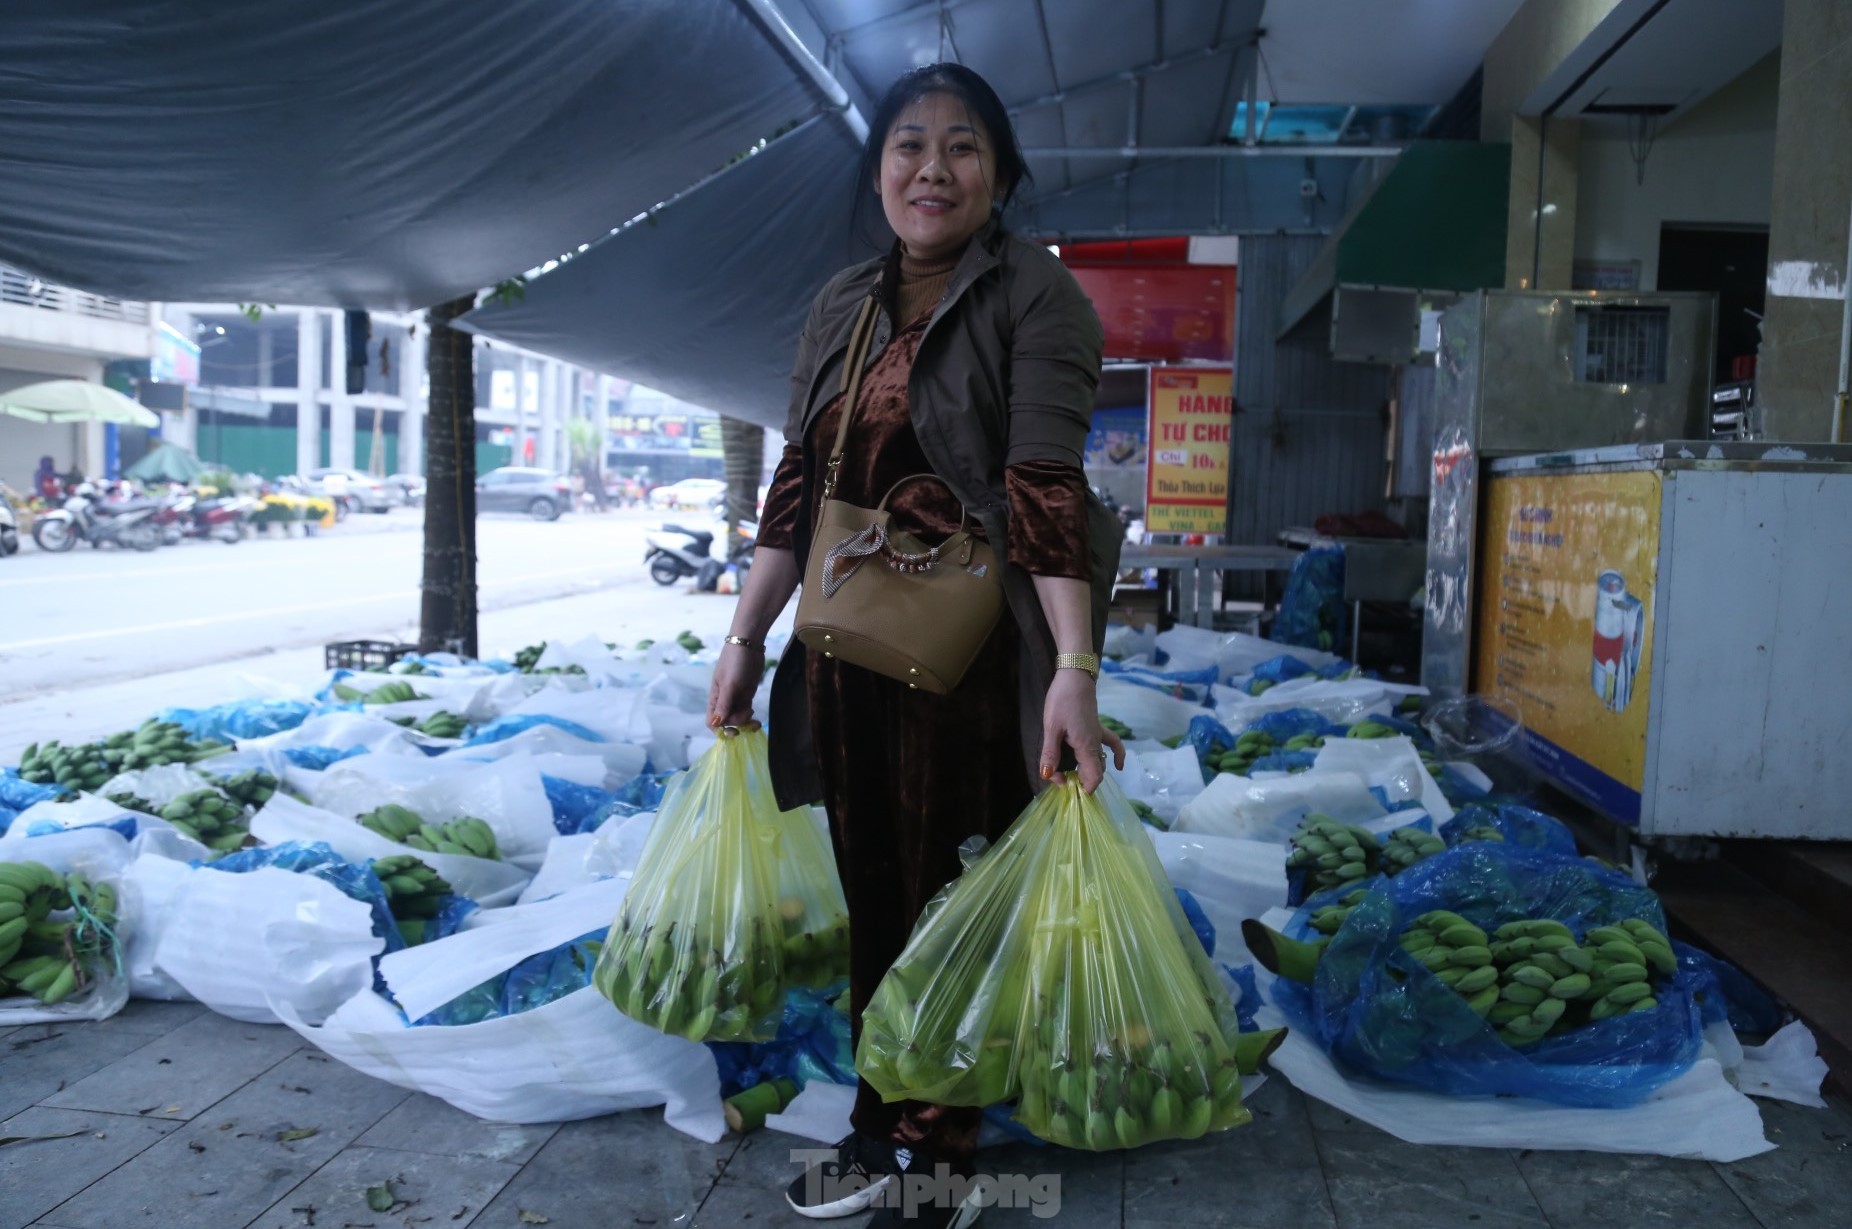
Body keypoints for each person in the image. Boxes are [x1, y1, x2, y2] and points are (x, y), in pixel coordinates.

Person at [705, 63, 1123, 1229]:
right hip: (847, 650)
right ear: (879, 168)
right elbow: (799, 480)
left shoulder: (1035, 295)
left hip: (971, 667)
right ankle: (877, 1123)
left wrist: (1074, 671)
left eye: (962, 146)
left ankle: (937, 1153)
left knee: (949, 894)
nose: (931, 168)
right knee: (874, 894)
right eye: (908, 145)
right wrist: (745, 634)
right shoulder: (844, 301)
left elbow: (1044, 485)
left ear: (1000, 175)